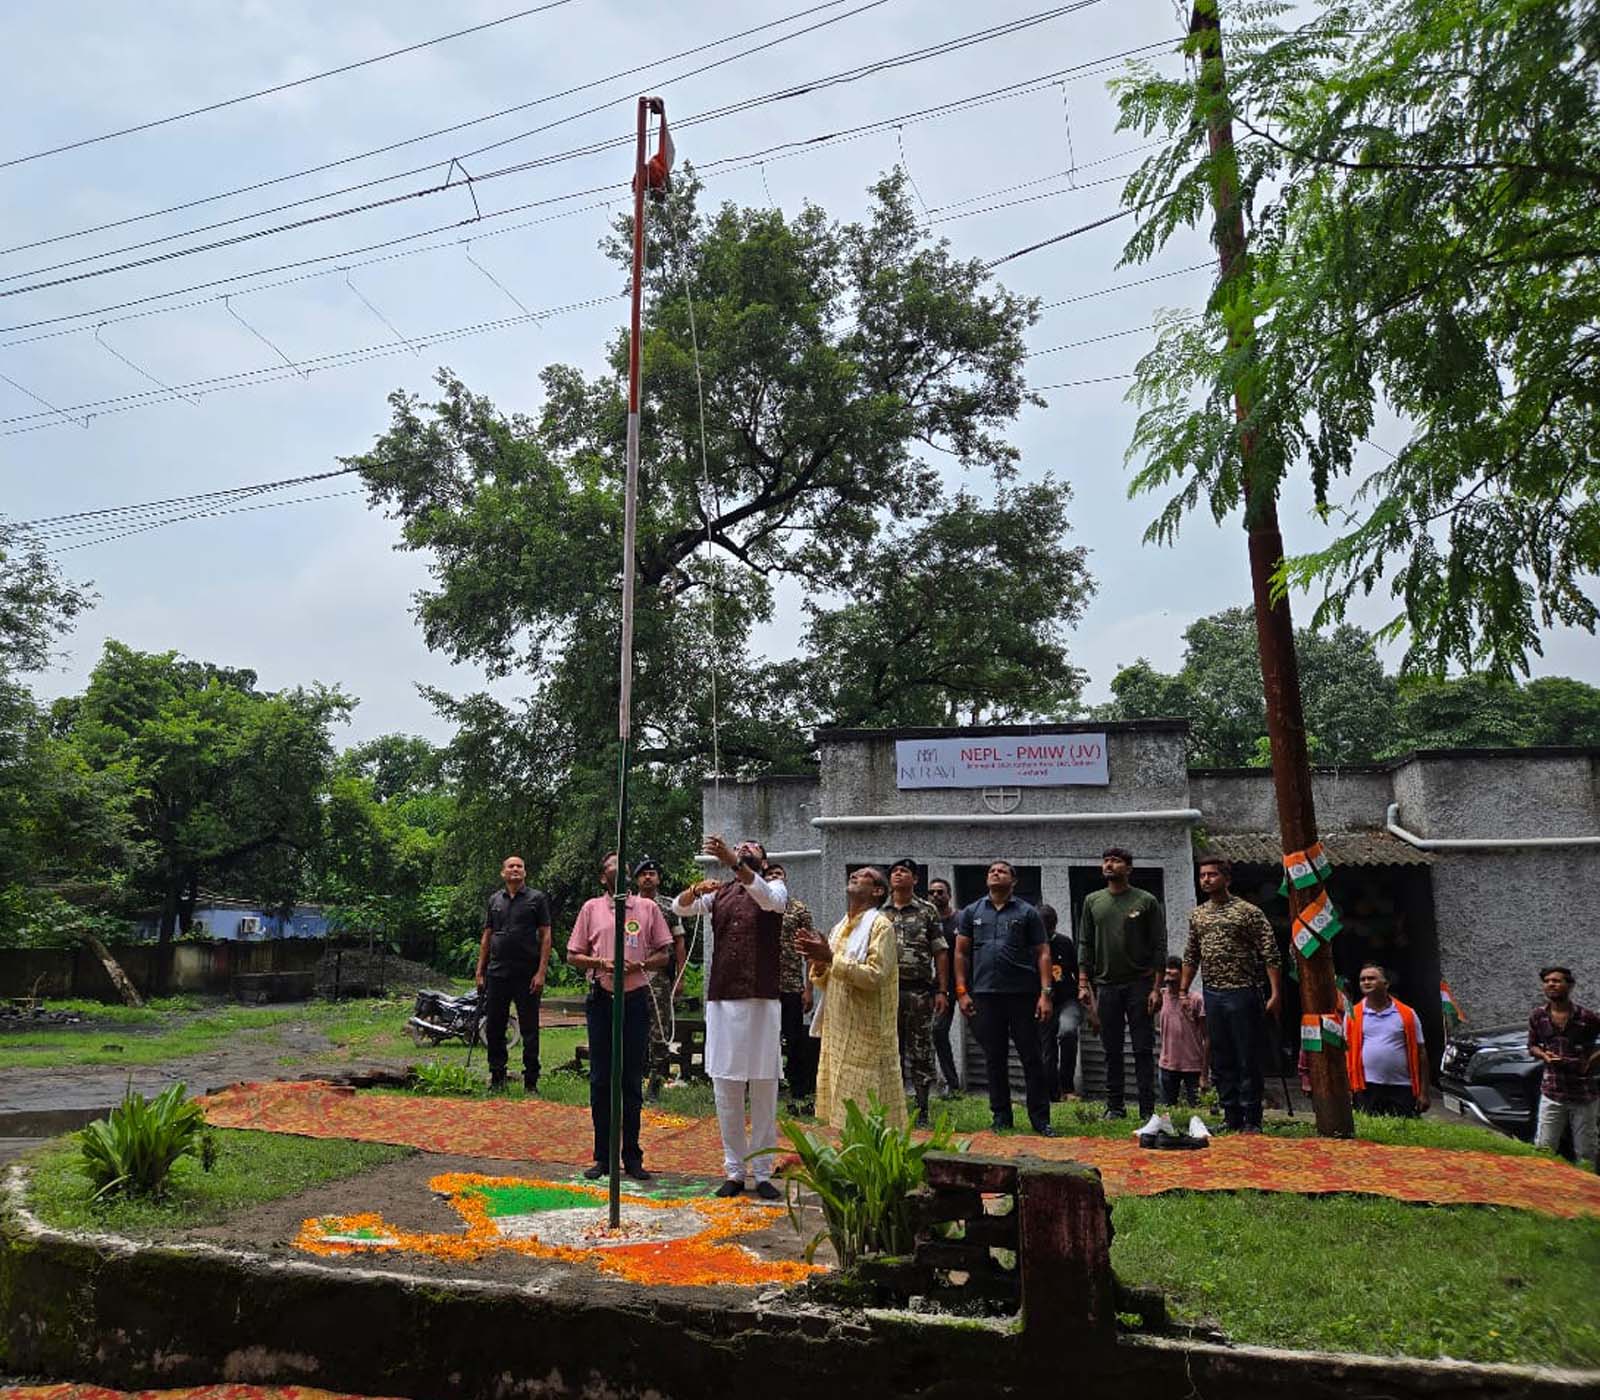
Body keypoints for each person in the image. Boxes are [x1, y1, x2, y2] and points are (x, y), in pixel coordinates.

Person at [673, 836, 788, 1199]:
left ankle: (764, 1172)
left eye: (751, 847)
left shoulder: (775, 886)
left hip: (762, 1001)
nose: (744, 849)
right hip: (723, 1001)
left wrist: (732, 862)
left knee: (765, 1085)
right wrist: (694, 888)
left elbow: (770, 902)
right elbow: (679, 908)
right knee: (726, 1086)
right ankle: (735, 1171)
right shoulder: (719, 893)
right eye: (740, 847)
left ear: (764, 861)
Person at [566, 852, 674, 1181]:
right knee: (601, 1079)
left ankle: (633, 1155)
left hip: (635, 999)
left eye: (622, 863)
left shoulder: (647, 908)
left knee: (630, 1079)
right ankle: (603, 1156)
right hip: (602, 999)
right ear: (603, 877)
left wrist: (639, 965)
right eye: (611, 863)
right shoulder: (591, 909)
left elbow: (663, 953)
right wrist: (601, 964)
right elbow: (573, 955)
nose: (618, 867)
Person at [1179, 855, 1282, 1132]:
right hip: (1213, 993)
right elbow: (1191, 955)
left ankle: (1252, 1118)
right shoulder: (1198, 915)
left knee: (1246, 1056)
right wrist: (1183, 991)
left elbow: (1270, 952)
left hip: (1243, 992)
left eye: (1212, 875)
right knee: (1221, 1056)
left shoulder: (1247, 912)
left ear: (1227, 878)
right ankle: (1230, 1115)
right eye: (1202, 876)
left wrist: (1275, 992)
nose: (1206, 880)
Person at [797, 867, 905, 1131]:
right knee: (839, 1094)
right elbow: (826, 981)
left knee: (867, 1097)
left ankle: (869, 1162)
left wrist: (830, 957)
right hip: (838, 1025)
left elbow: (874, 976)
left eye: (864, 875)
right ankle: (844, 1155)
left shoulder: (881, 925)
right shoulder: (840, 927)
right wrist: (819, 963)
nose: (855, 874)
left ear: (878, 891)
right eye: (853, 874)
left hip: (867, 1029)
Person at [955, 860, 1055, 1136]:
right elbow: (961, 953)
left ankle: (1040, 1118)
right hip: (985, 995)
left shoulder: (1028, 912)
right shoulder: (971, 912)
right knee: (994, 1057)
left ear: (1014, 881)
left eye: (1002, 871)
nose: (995, 873)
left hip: (1022, 994)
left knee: (1032, 1056)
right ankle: (1001, 1116)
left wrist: (1046, 994)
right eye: (991, 871)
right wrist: (962, 992)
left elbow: (1043, 953)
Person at [1077, 847, 1165, 1121]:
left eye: (1115, 861)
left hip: (1139, 983)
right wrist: (1083, 982)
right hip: (1106, 985)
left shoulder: (1146, 900)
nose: (1109, 865)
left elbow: (1158, 945)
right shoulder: (1093, 901)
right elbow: (1085, 944)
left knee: (1141, 1048)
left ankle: (1147, 1108)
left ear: (1128, 868)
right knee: (1111, 1049)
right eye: (1105, 861)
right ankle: (1115, 1106)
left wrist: (1156, 988)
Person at [475, 854, 552, 1094]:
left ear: (525, 873)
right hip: (497, 972)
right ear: (503, 872)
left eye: (519, 866)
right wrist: (480, 970)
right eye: (510, 866)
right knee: (495, 1025)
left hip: (527, 973)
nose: (515, 869)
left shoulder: (536, 899)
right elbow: (487, 936)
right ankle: (497, 1077)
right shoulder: (494, 900)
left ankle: (531, 1081)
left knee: (529, 1027)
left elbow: (546, 936)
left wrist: (541, 972)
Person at [881, 857, 950, 1127]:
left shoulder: (927, 910)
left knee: (921, 1050)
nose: (898, 874)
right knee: (889, 1051)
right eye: (894, 871)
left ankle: (922, 1109)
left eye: (904, 871)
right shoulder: (878, 912)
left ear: (915, 879)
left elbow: (940, 951)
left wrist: (942, 990)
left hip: (919, 992)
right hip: (886, 993)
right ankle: (891, 1108)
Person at [1527, 965, 1600, 1169]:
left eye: (1557, 981)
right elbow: (1531, 1046)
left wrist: (1590, 1061)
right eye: (1547, 981)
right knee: (1543, 1148)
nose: (1551, 984)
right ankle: (1545, 1192)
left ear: (1570, 985)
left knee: (1586, 1152)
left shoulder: (1587, 1017)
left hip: (1584, 1094)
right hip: (1552, 1092)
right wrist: (1543, 1055)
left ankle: (1588, 1195)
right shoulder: (1538, 1016)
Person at [630, 857, 685, 1101]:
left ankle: (657, 1076)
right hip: (632, 974)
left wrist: (681, 976)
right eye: (643, 874)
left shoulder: (669, 906)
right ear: (637, 879)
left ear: (658, 878)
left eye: (652, 873)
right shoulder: (627, 905)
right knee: (633, 1024)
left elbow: (680, 943)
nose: (648, 877)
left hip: (660, 974)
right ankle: (634, 1073)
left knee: (659, 1026)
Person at [768, 862, 820, 1114]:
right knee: (765, 1040)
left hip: (790, 985)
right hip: (762, 987)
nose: (774, 878)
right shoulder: (758, 905)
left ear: (785, 879)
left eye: (778, 874)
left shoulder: (798, 909)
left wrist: (808, 989)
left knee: (794, 1039)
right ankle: (765, 1086)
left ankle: (798, 1088)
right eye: (769, 875)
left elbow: (809, 951)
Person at [1344, 963, 1428, 1117]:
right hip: (1365, 1087)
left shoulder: (1407, 1014)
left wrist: (1423, 1092)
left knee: (1403, 1135)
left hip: (1402, 1086)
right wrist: (1347, 1088)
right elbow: (1345, 1052)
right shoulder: (1352, 1015)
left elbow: (1421, 1053)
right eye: (1362, 979)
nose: (1366, 982)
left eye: (1371, 978)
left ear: (1386, 984)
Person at [1038, 903, 1082, 1101]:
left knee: (1068, 1031)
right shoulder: (1030, 945)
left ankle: (1067, 1088)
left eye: (1048, 927)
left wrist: (1091, 1008)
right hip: (1042, 1002)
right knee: (1047, 1049)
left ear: (1054, 925)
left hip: (1067, 1001)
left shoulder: (1065, 943)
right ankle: (1052, 1094)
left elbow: (1079, 972)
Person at [927, 878, 963, 1095]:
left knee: (984, 1031)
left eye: (940, 892)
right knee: (939, 1031)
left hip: (966, 983)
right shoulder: (929, 921)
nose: (936, 896)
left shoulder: (960, 918)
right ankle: (952, 1082)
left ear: (949, 895)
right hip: (941, 986)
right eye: (932, 892)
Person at [1158, 956, 1207, 1108]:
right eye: (1166, 976)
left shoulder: (1196, 1000)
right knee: (1168, 1111)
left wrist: (1205, 1073)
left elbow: (1207, 1037)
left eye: (1173, 976)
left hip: (1193, 1066)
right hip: (1167, 1065)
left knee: (1197, 1111)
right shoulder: (1161, 997)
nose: (1169, 981)